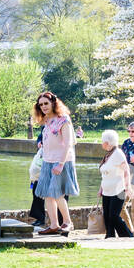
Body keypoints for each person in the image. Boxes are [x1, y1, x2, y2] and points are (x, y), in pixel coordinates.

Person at [33, 90, 79, 237]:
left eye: (46, 103)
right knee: (47, 194)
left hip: (61, 161)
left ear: (53, 103)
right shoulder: (46, 121)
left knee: (57, 193)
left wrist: (60, 163)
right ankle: (53, 224)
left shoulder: (64, 119)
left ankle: (67, 222)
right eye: (41, 105)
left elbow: (69, 144)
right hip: (47, 161)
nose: (44, 107)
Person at [98, 129, 134, 239]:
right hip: (107, 190)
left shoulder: (118, 154)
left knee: (114, 216)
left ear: (107, 142)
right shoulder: (108, 155)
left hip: (118, 190)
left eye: (102, 141)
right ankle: (110, 235)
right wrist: (101, 189)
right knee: (107, 216)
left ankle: (127, 235)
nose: (101, 143)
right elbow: (105, 174)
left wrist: (127, 187)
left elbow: (126, 170)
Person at [28, 129, 46, 226]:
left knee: (39, 194)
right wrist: (39, 142)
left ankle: (41, 218)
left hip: (46, 169)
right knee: (36, 193)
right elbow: (40, 136)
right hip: (37, 176)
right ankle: (40, 217)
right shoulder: (45, 126)